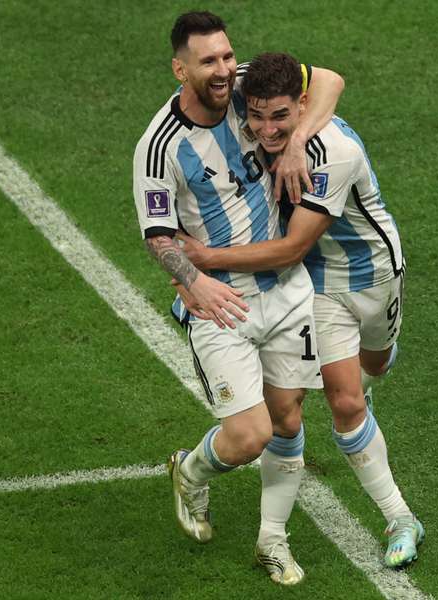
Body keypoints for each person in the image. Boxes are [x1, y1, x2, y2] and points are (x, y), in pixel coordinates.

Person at [179, 52, 424, 568]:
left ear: (303, 106)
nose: (266, 130)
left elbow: (291, 245)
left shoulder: (332, 151)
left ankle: (374, 359)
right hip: (315, 284)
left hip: (374, 273)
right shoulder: (250, 93)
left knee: (375, 365)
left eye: (281, 118)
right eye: (259, 115)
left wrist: (203, 262)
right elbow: (325, 78)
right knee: (342, 404)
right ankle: (401, 518)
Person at [132, 12, 344, 586]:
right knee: (250, 436)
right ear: (181, 68)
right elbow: (157, 233)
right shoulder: (160, 147)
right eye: (209, 61)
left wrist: (297, 140)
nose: (225, 69)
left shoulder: (247, 81)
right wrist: (193, 281)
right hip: (223, 303)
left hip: (288, 289)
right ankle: (193, 472)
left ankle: (273, 541)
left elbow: (327, 79)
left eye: (228, 56)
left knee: (288, 418)